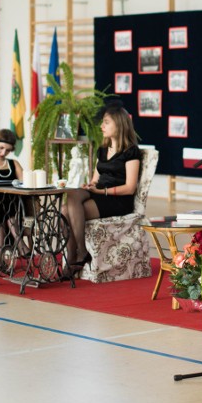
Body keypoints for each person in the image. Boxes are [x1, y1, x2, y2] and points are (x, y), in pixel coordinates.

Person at [62, 102, 141, 277]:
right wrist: (90, 186)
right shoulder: (103, 150)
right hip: (100, 192)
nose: (101, 126)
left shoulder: (131, 152)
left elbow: (130, 188)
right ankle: (79, 253)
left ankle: (75, 256)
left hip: (118, 200)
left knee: (67, 210)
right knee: (69, 200)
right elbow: (95, 180)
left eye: (106, 122)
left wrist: (102, 192)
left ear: (119, 124)